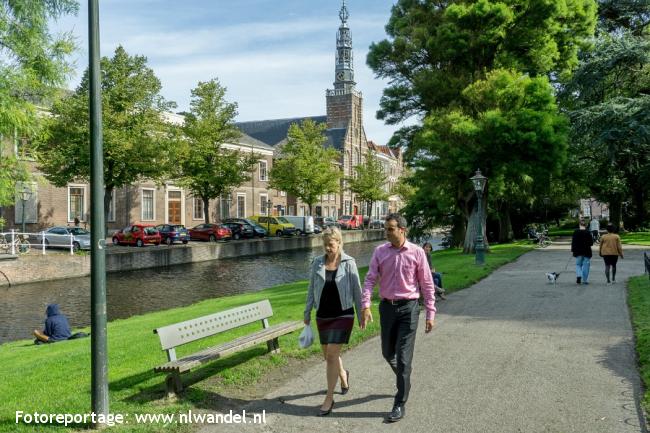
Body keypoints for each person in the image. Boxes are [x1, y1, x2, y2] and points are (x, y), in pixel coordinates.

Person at [361, 213, 436, 422]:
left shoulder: (417, 252)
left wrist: (430, 312)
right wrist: (365, 305)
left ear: (402, 230)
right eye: (386, 229)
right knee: (387, 353)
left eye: (390, 229)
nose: (386, 232)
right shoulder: (380, 252)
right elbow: (369, 280)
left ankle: (399, 402)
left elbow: (427, 285)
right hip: (387, 308)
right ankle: (405, 380)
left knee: (403, 359)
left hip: (408, 309)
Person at [304, 227, 362, 416]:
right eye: (325, 245)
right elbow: (311, 288)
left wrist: (362, 312)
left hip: (343, 314)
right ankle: (343, 375)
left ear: (339, 242)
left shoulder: (349, 263)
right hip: (323, 316)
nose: (328, 248)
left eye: (331, 244)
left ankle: (329, 398)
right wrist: (307, 312)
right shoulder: (317, 263)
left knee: (331, 355)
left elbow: (357, 290)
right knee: (328, 355)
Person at [571, 220, 594, 285]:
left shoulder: (575, 232)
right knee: (586, 266)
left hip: (578, 251)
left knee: (578, 265)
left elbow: (573, 242)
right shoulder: (588, 232)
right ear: (586, 225)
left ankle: (579, 275)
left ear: (579, 225)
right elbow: (591, 243)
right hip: (587, 251)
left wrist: (573, 250)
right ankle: (585, 280)